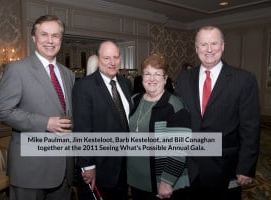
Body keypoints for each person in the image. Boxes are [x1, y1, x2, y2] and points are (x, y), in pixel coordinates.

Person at [0, 15, 75, 200]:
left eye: (55, 36)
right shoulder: (17, 69)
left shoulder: (68, 74)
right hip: (31, 169)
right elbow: (1, 110)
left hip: (64, 169)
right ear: (34, 38)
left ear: (61, 40)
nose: (50, 40)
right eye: (44, 34)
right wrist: (44, 123)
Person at [175, 25, 260, 200]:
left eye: (214, 43)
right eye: (203, 44)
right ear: (197, 48)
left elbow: (250, 128)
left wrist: (246, 166)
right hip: (187, 167)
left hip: (225, 168)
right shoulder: (183, 79)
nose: (209, 49)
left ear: (222, 46)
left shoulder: (244, 79)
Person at [72, 40, 133, 200]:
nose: (112, 62)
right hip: (98, 169)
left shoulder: (125, 83)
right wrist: (88, 165)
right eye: (107, 58)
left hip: (124, 167)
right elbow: (82, 129)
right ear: (98, 60)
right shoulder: (84, 86)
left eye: (116, 57)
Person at [127, 54, 191, 200]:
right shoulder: (134, 100)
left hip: (161, 183)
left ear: (165, 78)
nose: (152, 78)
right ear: (141, 77)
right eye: (147, 74)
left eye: (157, 74)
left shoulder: (175, 105)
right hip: (136, 179)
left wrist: (167, 182)